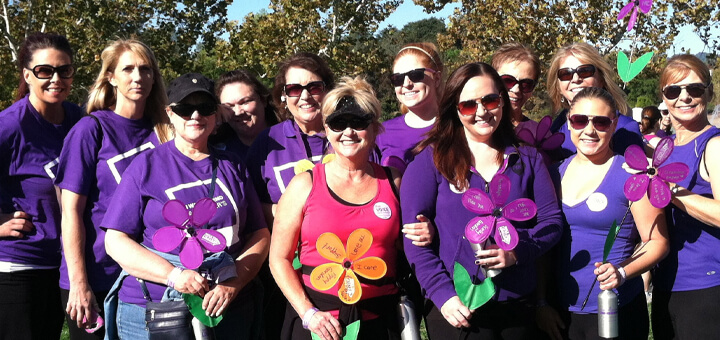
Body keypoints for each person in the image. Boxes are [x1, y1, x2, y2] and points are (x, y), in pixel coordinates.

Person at [401, 62, 563, 339]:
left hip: (517, 304)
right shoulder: (430, 161)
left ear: (502, 100)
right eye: (468, 105)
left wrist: (517, 252)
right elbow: (414, 241)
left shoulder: (528, 158)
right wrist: (443, 294)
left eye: (490, 100)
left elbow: (552, 223)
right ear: (454, 107)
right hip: (459, 308)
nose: (481, 112)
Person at [102, 73, 269, 340]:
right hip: (155, 308)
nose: (195, 115)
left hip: (227, 307)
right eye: (184, 108)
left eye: (204, 107)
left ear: (215, 115)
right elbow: (115, 240)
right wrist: (173, 276)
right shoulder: (145, 166)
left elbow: (259, 234)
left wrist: (233, 284)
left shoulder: (233, 165)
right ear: (170, 113)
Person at [270, 76, 402, 340]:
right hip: (320, 322)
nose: (348, 132)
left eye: (359, 122)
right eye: (338, 123)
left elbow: (409, 245)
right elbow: (279, 259)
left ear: (375, 128)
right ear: (327, 130)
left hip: (380, 322)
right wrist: (308, 314)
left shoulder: (394, 181)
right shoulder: (304, 185)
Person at [54, 39, 170, 339]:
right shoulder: (91, 129)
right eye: (128, 69)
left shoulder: (165, 130)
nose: (137, 77)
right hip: (97, 275)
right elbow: (70, 212)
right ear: (111, 76)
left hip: (150, 275)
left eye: (145, 69)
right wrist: (79, 282)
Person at [541, 87, 669, 340]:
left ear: (614, 125)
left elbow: (657, 241)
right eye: (579, 120)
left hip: (616, 310)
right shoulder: (552, 174)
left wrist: (621, 271)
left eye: (600, 122)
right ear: (569, 122)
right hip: (561, 313)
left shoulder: (631, 175)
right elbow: (543, 247)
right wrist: (541, 303)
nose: (589, 130)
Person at [245, 52, 335, 340]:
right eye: (294, 89)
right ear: (283, 96)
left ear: (327, 90)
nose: (305, 96)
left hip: (343, 266)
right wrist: (293, 214)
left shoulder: (348, 133)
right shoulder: (267, 143)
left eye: (315, 87)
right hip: (284, 273)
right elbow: (250, 207)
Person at [0, 32, 83, 340]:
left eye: (64, 70)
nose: (55, 79)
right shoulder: (10, 126)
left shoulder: (78, 119)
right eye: (45, 71)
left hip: (60, 266)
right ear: (27, 75)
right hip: (18, 268)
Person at [651, 54, 720, 340]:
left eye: (694, 89)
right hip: (666, 285)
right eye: (673, 90)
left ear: (709, 93)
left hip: (706, 286)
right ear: (664, 98)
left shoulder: (713, 144)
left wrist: (670, 189)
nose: (685, 98)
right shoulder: (663, 148)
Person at [547, 42, 642, 160]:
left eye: (585, 71)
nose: (576, 79)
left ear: (601, 79)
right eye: (566, 74)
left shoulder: (625, 128)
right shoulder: (551, 130)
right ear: (558, 86)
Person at [376, 42, 444, 172]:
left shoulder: (457, 126)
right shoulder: (381, 133)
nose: (406, 84)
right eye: (398, 78)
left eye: (416, 75)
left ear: (437, 78)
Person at [212, 69, 280, 159]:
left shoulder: (290, 139)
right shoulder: (220, 156)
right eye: (229, 106)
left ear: (263, 100)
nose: (238, 112)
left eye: (245, 102)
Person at [491, 42, 541, 133]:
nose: (516, 90)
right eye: (507, 81)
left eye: (526, 84)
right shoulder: (478, 129)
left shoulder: (539, 134)